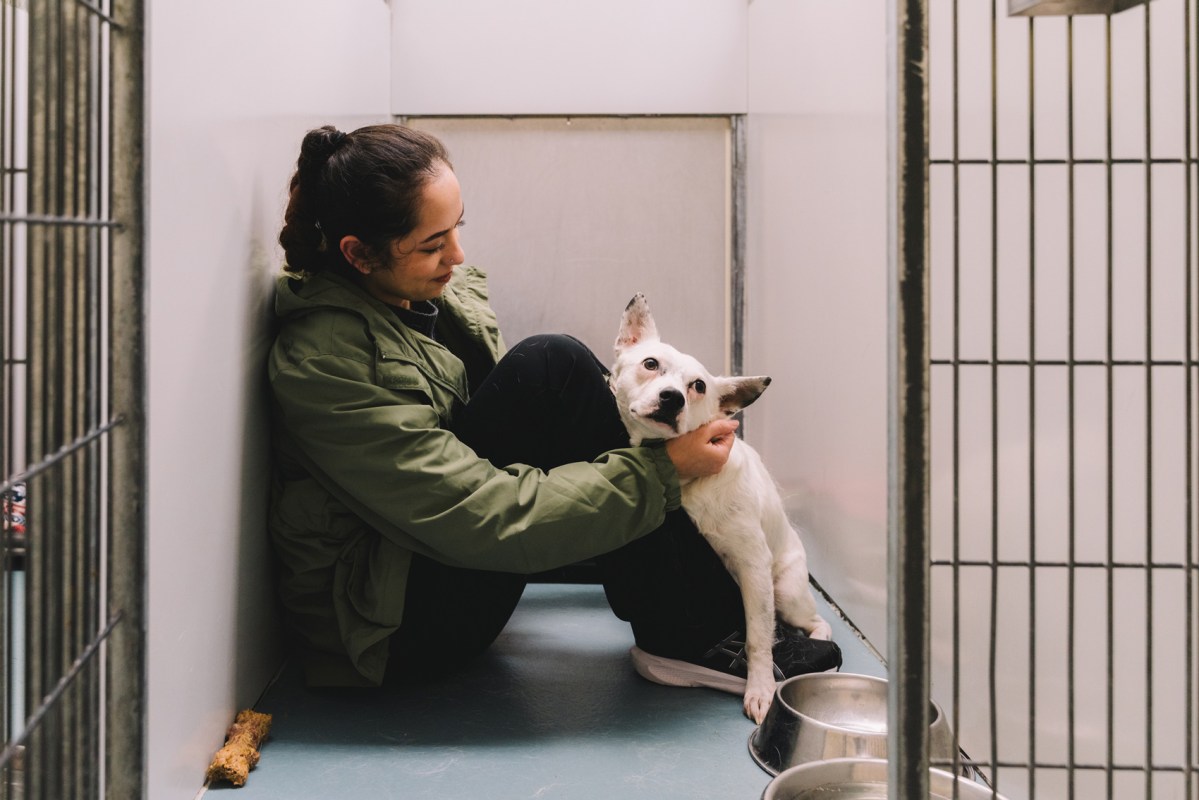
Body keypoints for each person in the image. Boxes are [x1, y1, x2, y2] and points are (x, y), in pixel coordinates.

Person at [267, 122, 842, 694]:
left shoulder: (411, 298)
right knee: (554, 364)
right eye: (432, 244)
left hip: (428, 555)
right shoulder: (327, 361)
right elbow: (477, 515)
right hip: (393, 628)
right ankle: (691, 636)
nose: (458, 255)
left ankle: (698, 610)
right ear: (358, 255)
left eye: (456, 229)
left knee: (565, 375)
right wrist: (665, 470)